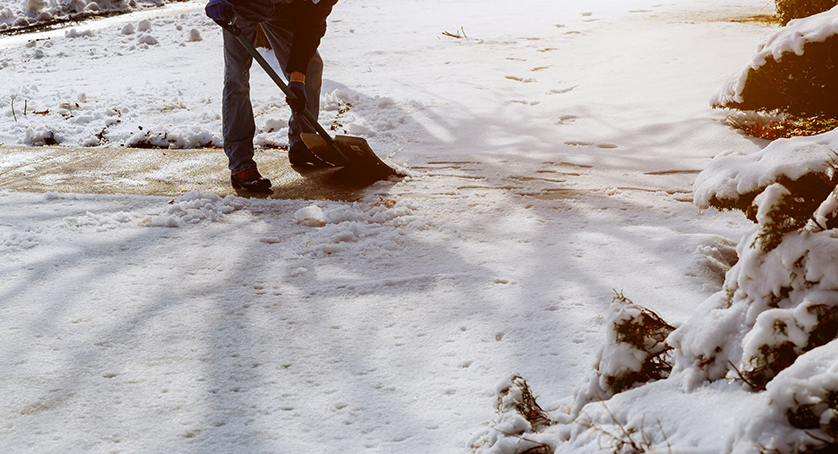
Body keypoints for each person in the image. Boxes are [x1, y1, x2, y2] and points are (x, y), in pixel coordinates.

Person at [206, 0, 337, 192]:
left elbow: (310, 28)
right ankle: (241, 164)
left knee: (312, 68)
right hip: (243, 6)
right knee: (238, 77)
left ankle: (303, 144)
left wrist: (297, 79)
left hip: (286, 7)